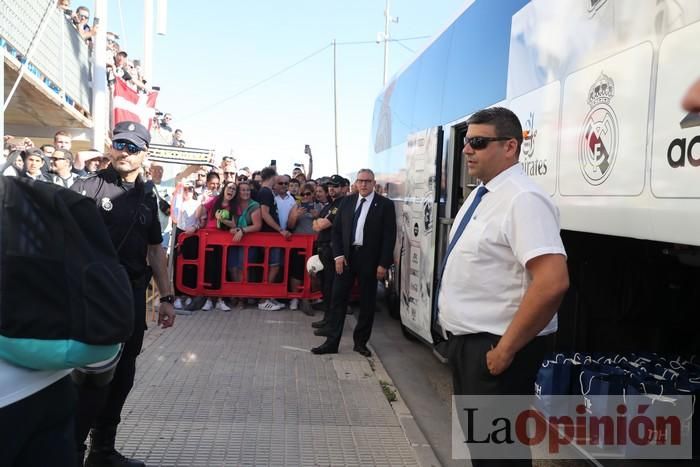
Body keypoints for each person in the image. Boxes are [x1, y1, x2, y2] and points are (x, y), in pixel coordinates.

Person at [437, 107, 569, 467]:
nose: (467, 150)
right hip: (470, 345)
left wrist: (504, 351)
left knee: (499, 455)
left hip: (495, 347)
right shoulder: (484, 194)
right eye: (466, 142)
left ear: (510, 146)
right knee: (485, 450)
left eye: (478, 142)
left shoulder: (522, 198)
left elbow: (553, 282)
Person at [71, 121, 176, 467]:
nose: (124, 153)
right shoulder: (87, 187)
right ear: (109, 146)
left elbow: (155, 249)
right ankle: (70, 449)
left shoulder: (149, 196)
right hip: (91, 297)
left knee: (123, 374)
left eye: (132, 148)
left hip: (130, 295)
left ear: (145, 154)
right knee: (88, 374)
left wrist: (167, 297)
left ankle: (102, 450)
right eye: (119, 145)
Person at [311, 169, 396, 357]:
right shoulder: (347, 202)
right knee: (337, 300)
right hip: (346, 259)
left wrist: (383, 264)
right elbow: (337, 231)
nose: (363, 184)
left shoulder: (385, 205)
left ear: (374, 183)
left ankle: (360, 343)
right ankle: (331, 342)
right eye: (360, 181)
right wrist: (338, 256)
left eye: (367, 181)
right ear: (355, 183)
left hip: (370, 260)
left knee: (367, 303)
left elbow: (389, 237)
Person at [311, 176, 345, 327]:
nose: (331, 189)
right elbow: (315, 224)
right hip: (324, 248)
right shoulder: (330, 205)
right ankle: (327, 319)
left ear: (343, 188)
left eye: (336, 186)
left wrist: (318, 222)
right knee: (325, 285)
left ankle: (331, 322)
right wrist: (318, 222)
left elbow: (321, 225)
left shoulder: (341, 204)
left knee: (331, 287)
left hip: (332, 250)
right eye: (330, 186)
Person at [196, 182, 236, 312]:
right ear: (224, 189)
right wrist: (202, 218)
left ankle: (220, 299)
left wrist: (222, 220)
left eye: (234, 189)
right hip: (208, 238)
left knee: (220, 269)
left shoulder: (234, 206)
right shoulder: (215, 200)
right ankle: (208, 299)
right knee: (208, 268)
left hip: (223, 240)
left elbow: (234, 224)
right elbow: (202, 208)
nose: (231, 190)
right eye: (229, 187)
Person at [256, 167, 290, 311]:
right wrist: (280, 229)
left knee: (274, 265)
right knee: (274, 265)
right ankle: (263, 299)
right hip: (269, 235)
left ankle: (268, 296)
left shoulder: (268, 192)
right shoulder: (265, 192)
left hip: (271, 234)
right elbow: (265, 214)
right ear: (272, 177)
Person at [287, 182, 321, 312]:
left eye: (308, 194)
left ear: (313, 194)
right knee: (297, 271)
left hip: (315, 244)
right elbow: (290, 225)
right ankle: (295, 298)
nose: (305, 197)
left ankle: (312, 296)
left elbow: (326, 225)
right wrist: (296, 216)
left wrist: (317, 216)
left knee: (314, 271)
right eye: (302, 194)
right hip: (298, 244)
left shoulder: (319, 207)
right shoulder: (296, 206)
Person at [227, 180, 262, 294]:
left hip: (248, 241)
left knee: (243, 266)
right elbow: (231, 222)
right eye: (243, 190)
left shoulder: (255, 205)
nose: (246, 192)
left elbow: (257, 226)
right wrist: (231, 229)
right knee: (232, 266)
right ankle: (236, 292)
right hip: (234, 240)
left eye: (248, 190)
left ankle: (242, 295)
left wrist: (242, 230)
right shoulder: (233, 204)